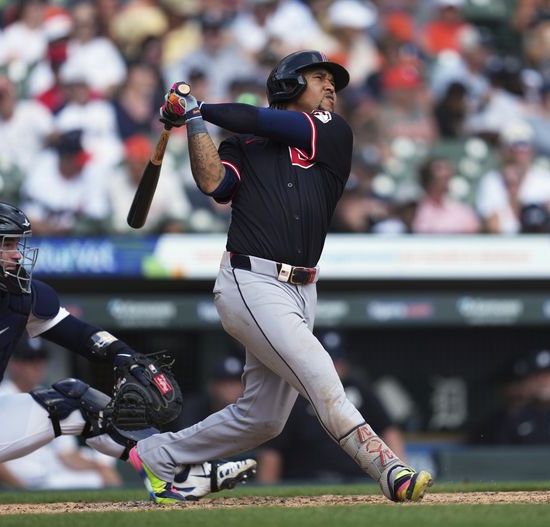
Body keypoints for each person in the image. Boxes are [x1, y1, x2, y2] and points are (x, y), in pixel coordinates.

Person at [128, 50, 432, 504]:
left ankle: (160, 455)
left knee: (264, 418)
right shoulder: (242, 144)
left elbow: (260, 120)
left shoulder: (331, 131)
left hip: (303, 288)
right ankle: (389, 469)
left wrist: (197, 107)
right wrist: (193, 124)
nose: (331, 87)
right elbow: (215, 185)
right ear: (289, 84)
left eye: (332, 80)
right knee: (321, 375)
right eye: (319, 77)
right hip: (251, 279)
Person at [0, 201, 254, 507]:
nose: (16, 254)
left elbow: (77, 334)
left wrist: (123, 356)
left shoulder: (20, 298)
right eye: (6, 245)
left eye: (16, 243)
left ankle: (181, 472)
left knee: (78, 401)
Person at [257, 331, 406, 483]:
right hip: (307, 480)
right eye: (330, 361)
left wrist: (399, 474)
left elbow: (389, 430)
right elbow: (273, 449)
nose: (335, 367)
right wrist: (268, 490)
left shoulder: (359, 387)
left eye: (339, 360)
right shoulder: (295, 393)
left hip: (356, 479)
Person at [0, 337, 123, 490]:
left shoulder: (49, 396)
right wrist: (20, 489)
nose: (38, 365)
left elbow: (67, 454)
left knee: (102, 464)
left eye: (41, 359)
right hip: (17, 479)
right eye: (30, 359)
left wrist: (100, 468)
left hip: (50, 476)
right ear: (15, 365)